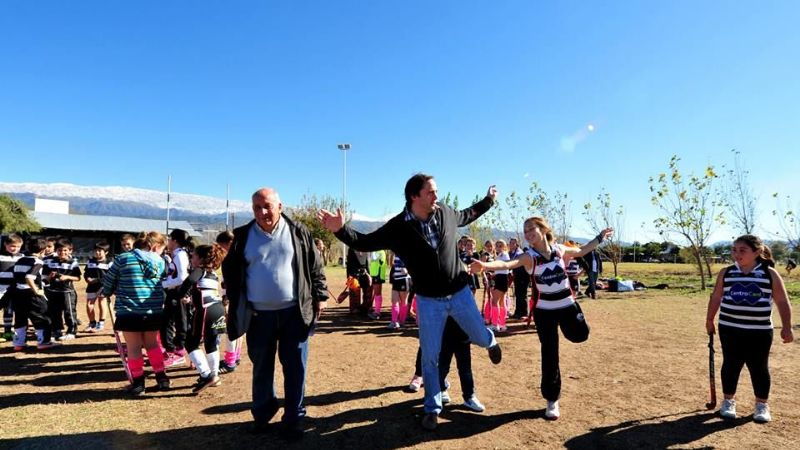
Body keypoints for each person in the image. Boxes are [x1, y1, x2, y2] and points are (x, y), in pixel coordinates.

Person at [318, 173, 502, 431]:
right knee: (430, 356)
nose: (436, 196)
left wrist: (489, 200)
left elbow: (469, 214)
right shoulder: (398, 228)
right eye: (430, 192)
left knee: (480, 338)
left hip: (460, 293)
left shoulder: (446, 212)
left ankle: (491, 341)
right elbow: (367, 242)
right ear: (414, 196)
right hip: (428, 301)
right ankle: (432, 408)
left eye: (436, 191)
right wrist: (340, 229)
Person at [471, 217, 612, 420]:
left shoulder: (559, 250)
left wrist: (599, 238)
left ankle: (571, 327)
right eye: (525, 231)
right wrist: (485, 265)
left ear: (543, 229)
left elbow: (582, 251)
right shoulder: (530, 257)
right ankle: (552, 400)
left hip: (567, 306)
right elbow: (507, 262)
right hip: (544, 311)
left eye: (531, 229)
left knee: (581, 335)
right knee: (549, 353)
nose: (527, 234)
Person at [222, 188, 328, 440]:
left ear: (280, 206)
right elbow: (231, 270)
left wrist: (321, 296)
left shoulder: (298, 231)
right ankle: (262, 414)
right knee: (261, 368)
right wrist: (235, 298)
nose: (262, 212)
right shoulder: (242, 236)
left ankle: (293, 418)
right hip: (259, 317)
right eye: (257, 207)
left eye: (267, 206)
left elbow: (315, 266)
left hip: (294, 313)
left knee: (295, 368)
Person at [705, 234, 794, 423]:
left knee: (759, 367)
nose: (737, 254)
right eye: (734, 250)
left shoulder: (769, 274)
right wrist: (709, 319)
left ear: (757, 252)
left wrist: (787, 327)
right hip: (729, 328)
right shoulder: (726, 272)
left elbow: (782, 301)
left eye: (742, 250)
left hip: (759, 331)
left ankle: (762, 406)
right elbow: (716, 297)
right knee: (731, 364)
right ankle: (728, 402)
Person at [99, 231, 171, 395]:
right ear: (154, 247)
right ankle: (162, 378)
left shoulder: (123, 259)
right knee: (153, 344)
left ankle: (138, 384)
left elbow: (109, 280)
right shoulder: (159, 262)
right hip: (153, 309)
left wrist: (107, 292)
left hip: (129, 310)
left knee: (133, 347)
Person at [176, 244, 228, 393]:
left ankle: (206, 375)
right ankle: (215, 375)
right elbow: (206, 292)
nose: (191, 258)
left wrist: (180, 294)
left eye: (193, 256)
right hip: (217, 309)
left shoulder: (200, 270)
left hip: (206, 311)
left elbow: (189, 281)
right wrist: (190, 300)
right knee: (211, 343)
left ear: (201, 258)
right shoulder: (213, 273)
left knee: (190, 343)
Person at [10, 238, 59, 350]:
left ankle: (18, 344)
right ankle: (44, 342)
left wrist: (46, 279)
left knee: (20, 319)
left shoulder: (19, 261)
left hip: (18, 294)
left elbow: (21, 278)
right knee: (42, 317)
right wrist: (36, 291)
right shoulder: (38, 261)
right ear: (42, 250)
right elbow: (29, 277)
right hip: (32, 295)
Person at [161, 229, 194, 367]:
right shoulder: (177, 254)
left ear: (174, 240)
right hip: (174, 292)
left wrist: (165, 283)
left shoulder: (180, 255)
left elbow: (182, 278)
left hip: (178, 293)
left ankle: (178, 352)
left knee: (180, 322)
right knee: (167, 322)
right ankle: (172, 350)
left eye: (169, 239)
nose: (167, 242)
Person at [43, 238, 82, 340]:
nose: (62, 252)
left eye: (65, 250)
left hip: (67, 292)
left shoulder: (73, 262)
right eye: (60, 250)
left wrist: (67, 277)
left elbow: (78, 278)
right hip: (53, 291)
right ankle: (57, 330)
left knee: (69, 312)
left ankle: (72, 331)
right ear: (56, 251)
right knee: (54, 312)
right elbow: (46, 276)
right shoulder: (50, 262)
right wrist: (49, 277)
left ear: (70, 251)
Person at [216, 230, 241, 374]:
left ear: (229, 243)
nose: (221, 249)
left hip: (234, 297)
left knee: (231, 328)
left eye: (222, 246)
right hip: (238, 296)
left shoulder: (232, 258)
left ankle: (230, 362)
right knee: (237, 329)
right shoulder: (240, 255)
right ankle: (234, 356)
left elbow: (231, 281)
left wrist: (226, 296)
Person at [83, 241, 112, 332]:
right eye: (96, 250)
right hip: (91, 286)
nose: (97, 252)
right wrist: (87, 278)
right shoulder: (90, 261)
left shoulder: (109, 262)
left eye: (100, 250)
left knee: (101, 302)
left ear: (106, 252)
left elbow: (110, 275)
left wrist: (97, 280)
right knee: (89, 305)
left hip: (103, 286)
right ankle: (92, 323)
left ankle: (101, 323)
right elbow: (86, 273)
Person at [1, 234, 23, 342]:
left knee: (9, 310)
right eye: (12, 246)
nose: (15, 249)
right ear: (5, 244)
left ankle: (7, 332)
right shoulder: (0, 256)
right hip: (1, 289)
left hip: (14, 290)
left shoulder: (22, 257)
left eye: (18, 246)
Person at [388, 253, 411, 330]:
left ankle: (402, 321)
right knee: (394, 301)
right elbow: (391, 264)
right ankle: (394, 322)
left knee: (403, 302)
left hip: (404, 279)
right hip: (396, 279)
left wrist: (407, 269)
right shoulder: (396, 252)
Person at [508, 238, 530, 319]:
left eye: (513, 243)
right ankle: (518, 312)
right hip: (517, 275)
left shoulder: (519, 253)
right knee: (517, 294)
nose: (511, 245)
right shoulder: (511, 253)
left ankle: (524, 313)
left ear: (517, 244)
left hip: (523, 275)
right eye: (510, 243)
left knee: (522, 294)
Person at [367, 250, 387, 320]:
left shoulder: (380, 251)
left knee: (377, 294)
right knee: (377, 294)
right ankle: (377, 310)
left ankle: (377, 313)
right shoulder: (378, 251)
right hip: (376, 274)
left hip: (377, 275)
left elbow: (373, 258)